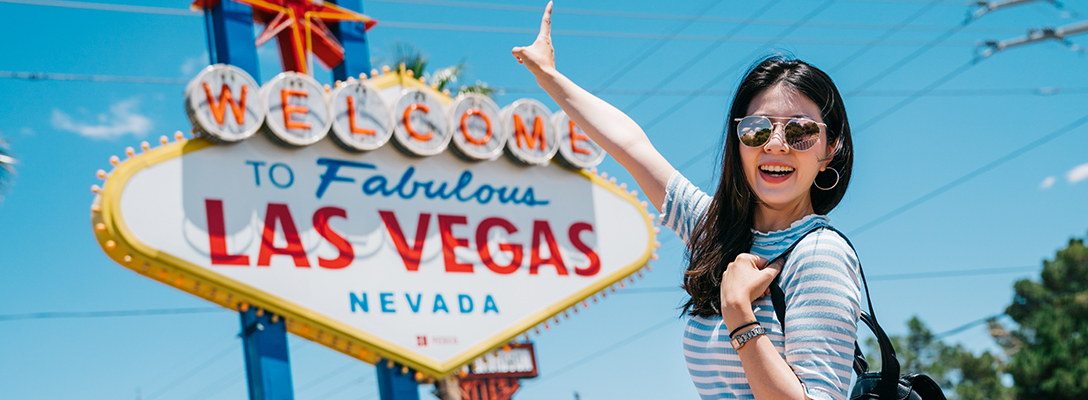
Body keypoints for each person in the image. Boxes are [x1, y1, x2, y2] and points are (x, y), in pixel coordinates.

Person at [512, 3, 862, 400]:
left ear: (829, 149)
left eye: (800, 131)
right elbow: (630, 145)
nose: (776, 145)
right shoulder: (719, 231)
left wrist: (739, 315)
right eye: (756, 130)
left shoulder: (820, 254)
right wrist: (549, 77)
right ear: (738, 141)